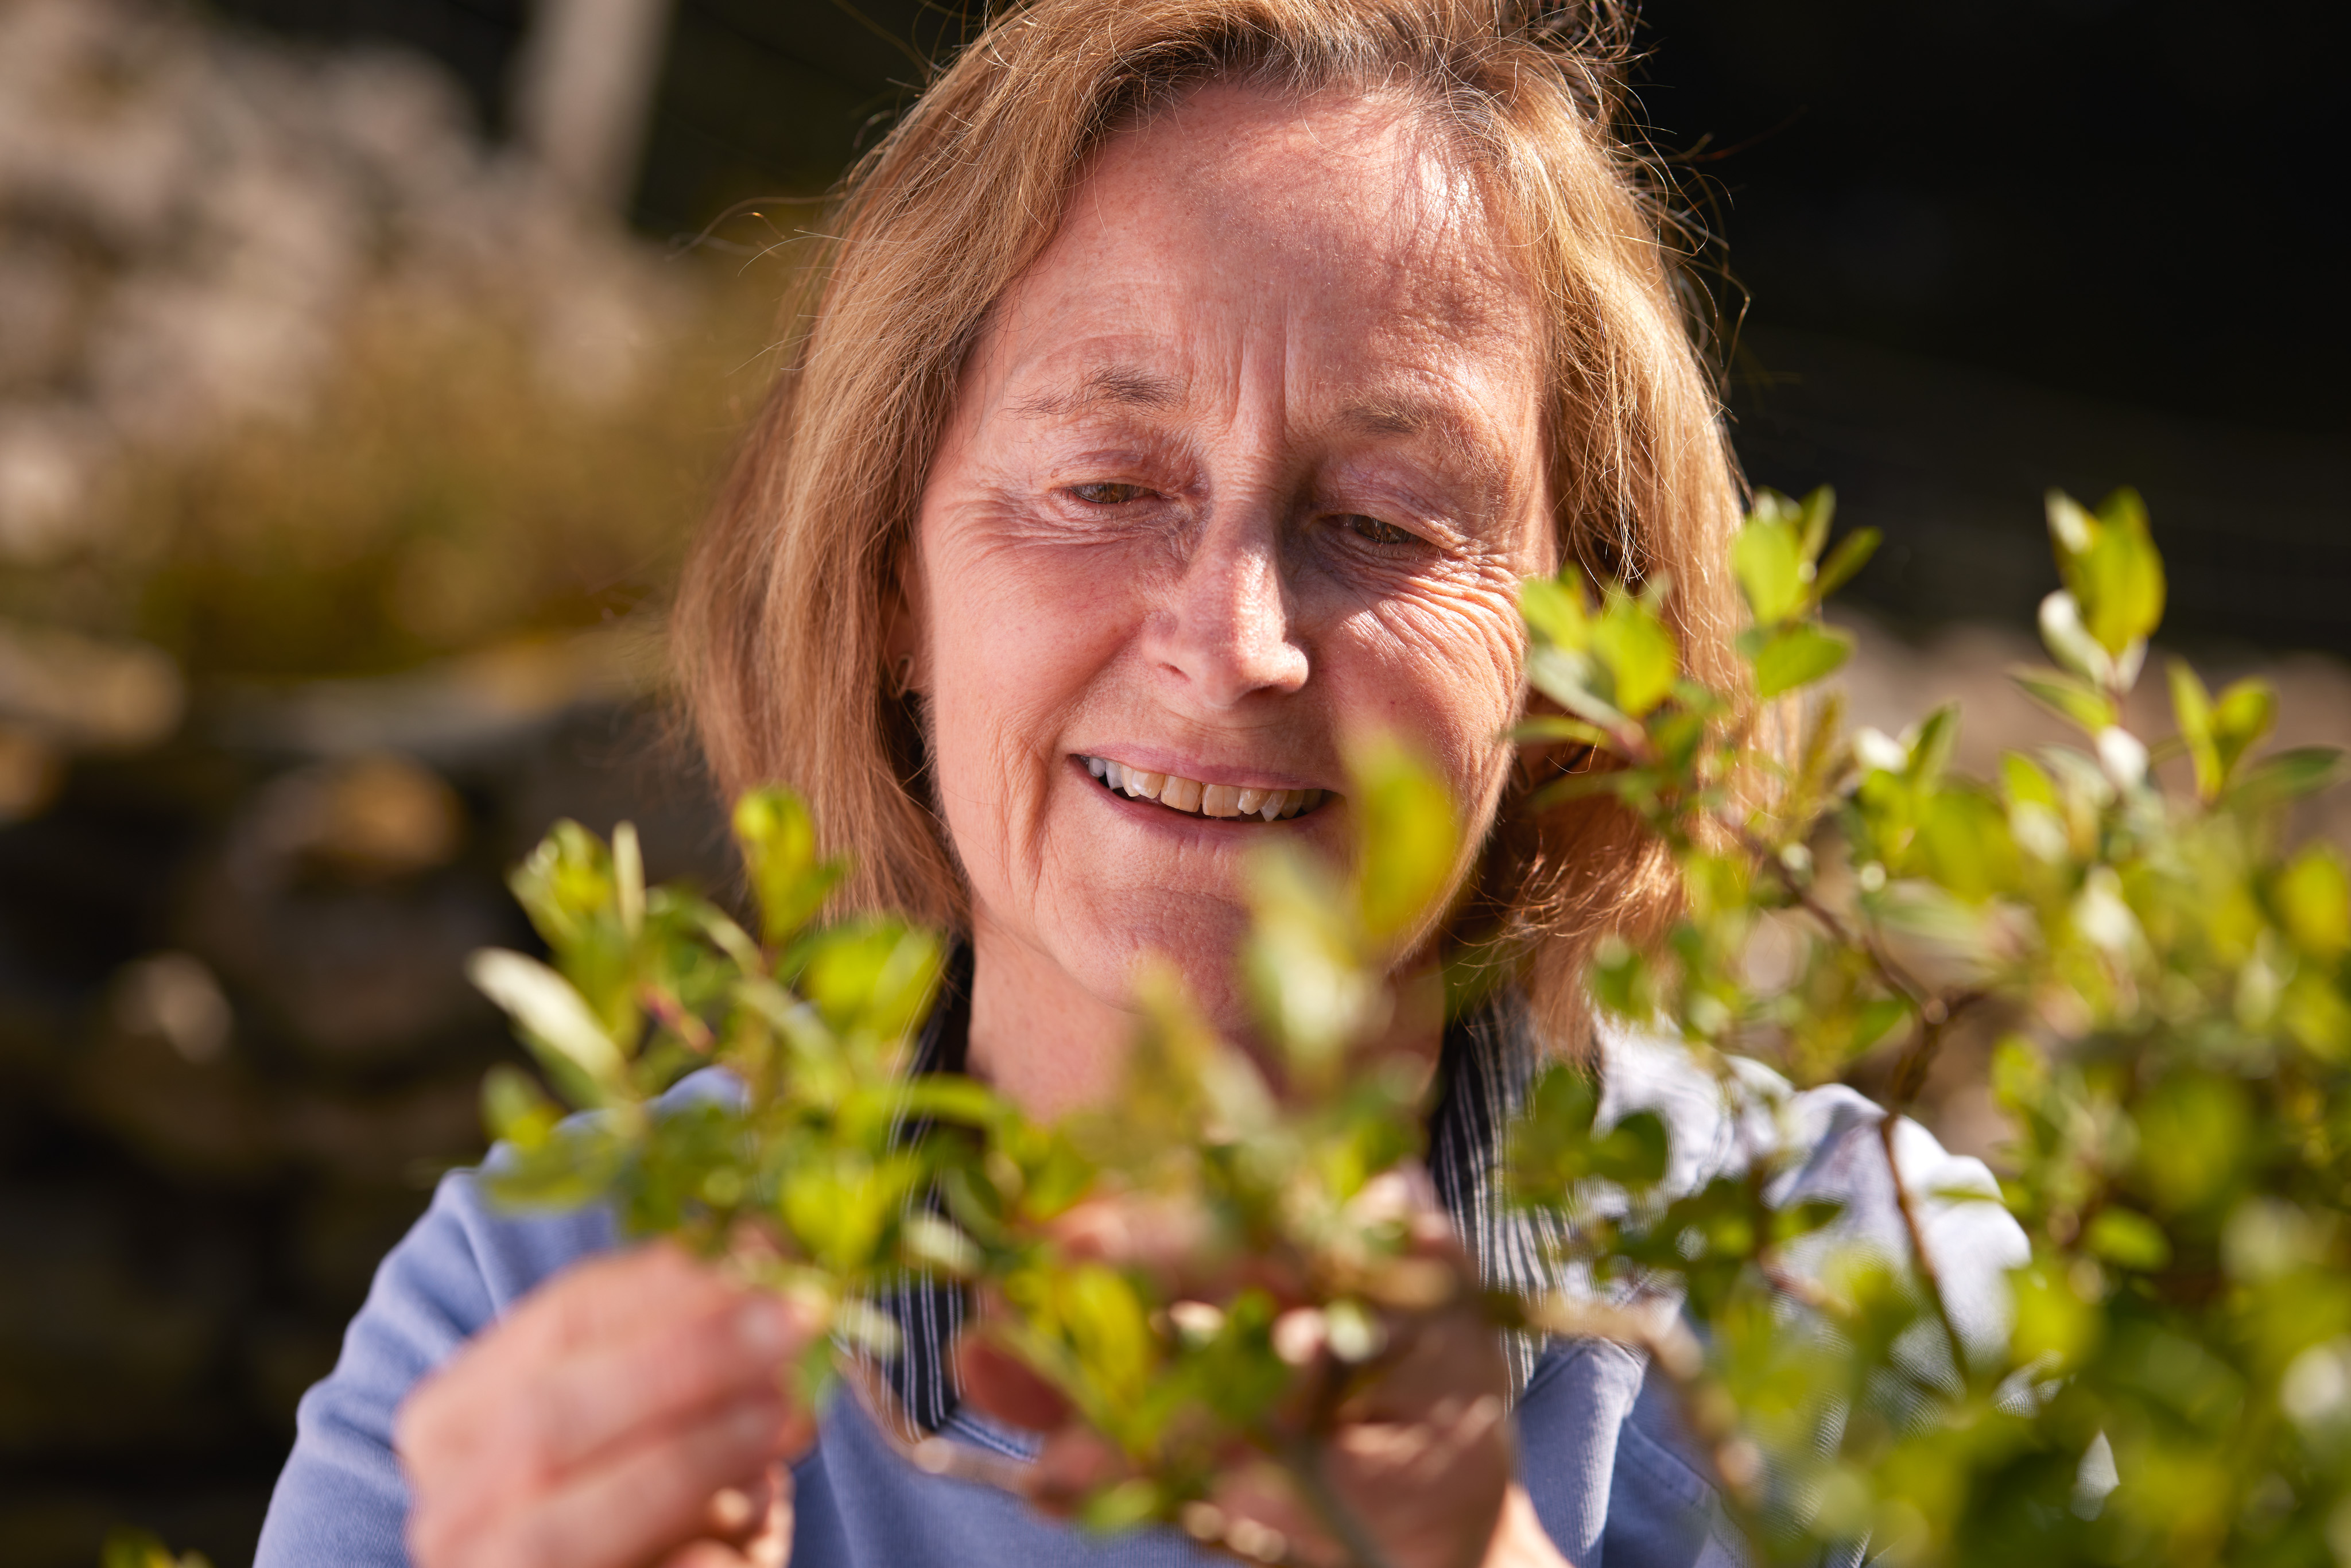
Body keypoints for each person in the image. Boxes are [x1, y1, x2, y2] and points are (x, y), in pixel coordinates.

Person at [256, 1, 2024, 1564]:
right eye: (1107, 485)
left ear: (1587, 656)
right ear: (891, 581)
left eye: (1388, 520)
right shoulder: (529, 1307)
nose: (1232, 636)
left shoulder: (1870, 1291)